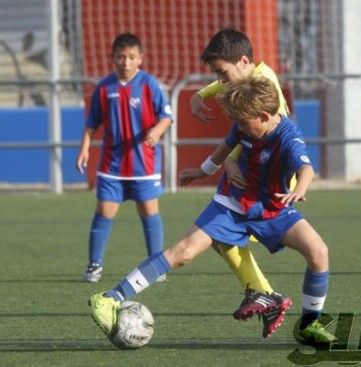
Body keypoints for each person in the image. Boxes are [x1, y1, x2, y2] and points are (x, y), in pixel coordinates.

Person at [89, 76, 336, 344]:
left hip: (274, 207)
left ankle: (309, 324)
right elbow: (225, 148)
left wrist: (300, 188)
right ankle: (110, 297)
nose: (239, 127)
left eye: (243, 122)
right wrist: (201, 171)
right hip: (232, 203)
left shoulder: (288, 136)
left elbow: (306, 168)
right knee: (182, 253)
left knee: (319, 252)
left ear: (264, 116)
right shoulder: (244, 124)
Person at [190, 28, 293, 328]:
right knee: (219, 238)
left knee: (218, 234)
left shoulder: (263, 84)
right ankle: (263, 294)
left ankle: (265, 294)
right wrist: (200, 94)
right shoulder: (252, 74)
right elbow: (229, 84)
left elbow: (267, 134)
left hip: (269, 178)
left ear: (244, 61)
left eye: (222, 74)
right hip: (256, 172)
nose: (220, 82)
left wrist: (230, 161)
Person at [76, 33, 173, 283]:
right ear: (113, 59)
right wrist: (85, 148)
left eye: (131, 57)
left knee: (149, 210)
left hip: (144, 163)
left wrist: (157, 130)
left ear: (140, 59)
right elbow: (91, 123)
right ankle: (94, 264)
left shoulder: (150, 85)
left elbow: (166, 116)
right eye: (121, 57)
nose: (126, 62)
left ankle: (155, 265)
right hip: (112, 165)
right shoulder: (104, 87)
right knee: (104, 212)